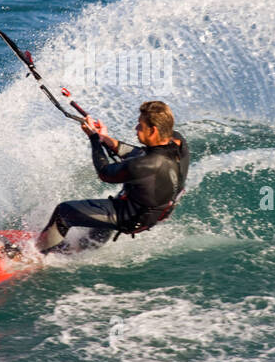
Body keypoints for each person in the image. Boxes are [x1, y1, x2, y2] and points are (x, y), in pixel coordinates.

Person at [31, 100, 190, 255]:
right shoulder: (176, 142)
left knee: (64, 212)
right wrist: (104, 138)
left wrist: (94, 139)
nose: (136, 128)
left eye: (140, 125)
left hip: (134, 217)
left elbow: (105, 173)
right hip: (154, 209)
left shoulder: (146, 164)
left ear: (153, 130)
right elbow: (140, 154)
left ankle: (34, 255)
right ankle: (82, 248)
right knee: (113, 203)